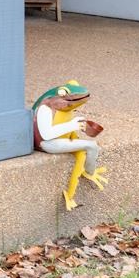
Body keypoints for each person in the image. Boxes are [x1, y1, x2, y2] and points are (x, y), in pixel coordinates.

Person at [32, 79, 108, 210]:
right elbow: (47, 134)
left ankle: (70, 195)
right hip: (46, 144)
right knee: (92, 146)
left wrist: (75, 130)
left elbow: (63, 125)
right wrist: (73, 125)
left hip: (59, 139)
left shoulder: (67, 110)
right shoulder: (45, 109)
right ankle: (90, 172)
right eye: (65, 94)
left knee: (81, 155)